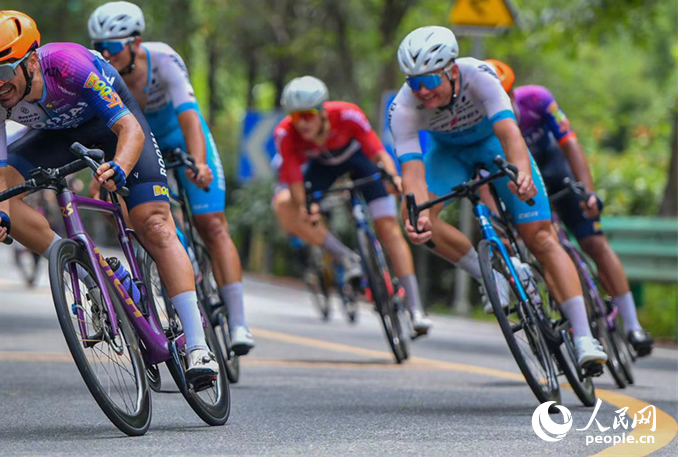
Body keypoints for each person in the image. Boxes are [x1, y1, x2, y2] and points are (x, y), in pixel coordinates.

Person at [0, 10, 218, 383]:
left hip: (113, 125)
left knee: (154, 223)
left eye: (3, 72)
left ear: (32, 60)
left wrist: (118, 165)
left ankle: (199, 347)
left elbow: (128, 128)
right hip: (56, 134)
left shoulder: (70, 65)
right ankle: (85, 270)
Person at [390, 25, 607, 370]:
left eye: (430, 82)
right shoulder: (403, 107)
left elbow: (509, 134)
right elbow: (412, 173)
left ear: (452, 71)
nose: (422, 92)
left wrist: (521, 172)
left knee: (541, 237)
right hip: (447, 156)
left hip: (495, 144)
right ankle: (489, 274)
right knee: (416, 216)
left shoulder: (480, 76)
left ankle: (584, 337)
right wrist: (417, 213)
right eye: (414, 83)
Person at [88, 1, 254, 355]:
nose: (105, 53)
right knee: (142, 218)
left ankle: (239, 322)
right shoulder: (98, 71)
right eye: (98, 46)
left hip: (179, 136)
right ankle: (181, 255)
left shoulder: (163, 59)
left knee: (212, 223)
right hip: (140, 146)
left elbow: (190, 115)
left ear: (136, 42)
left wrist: (198, 162)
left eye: (113, 46)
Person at [487, 58, 653, 357]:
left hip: (556, 174)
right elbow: (484, 178)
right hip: (527, 190)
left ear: (513, 93)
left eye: (506, 95)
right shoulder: (483, 126)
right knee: (545, 248)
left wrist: (586, 191)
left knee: (594, 243)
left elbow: (570, 143)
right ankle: (575, 322)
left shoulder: (538, 99)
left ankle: (632, 325)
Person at [273, 75, 431, 336]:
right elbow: (294, 179)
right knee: (286, 206)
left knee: (388, 228)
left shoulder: (348, 115)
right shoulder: (285, 133)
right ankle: (347, 258)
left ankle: (416, 308)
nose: (301, 123)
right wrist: (306, 207)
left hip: (359, 162)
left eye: (308, 115)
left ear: (323, 111)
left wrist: (393, 178)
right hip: (322, 169)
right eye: (295, 117)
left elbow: (378, 153)